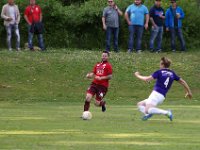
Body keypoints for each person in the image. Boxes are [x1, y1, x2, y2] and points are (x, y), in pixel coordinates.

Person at [134, 57, 192, 121]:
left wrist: (137, 75)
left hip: (156, 94)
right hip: (162, 97)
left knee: (148, 110)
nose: (159, 65)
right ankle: (147, 114)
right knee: (140, 104)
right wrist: (189, 92)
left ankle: (166, 112)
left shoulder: (159, 72)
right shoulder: (172, 73)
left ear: (162, 64)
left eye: (160, 64)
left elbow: (146, 79)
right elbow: (182, 82)